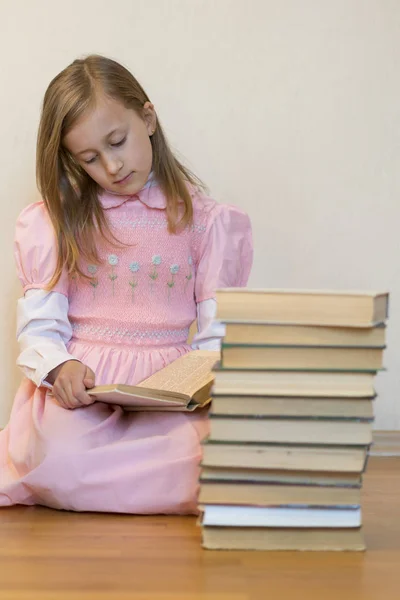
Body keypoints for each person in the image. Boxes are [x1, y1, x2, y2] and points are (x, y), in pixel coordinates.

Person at [0, 55, 253, 514]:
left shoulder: (207, 222)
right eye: (90, 158)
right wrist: (60, 368)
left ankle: (122, 483)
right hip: (87, 391)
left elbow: (219, 337)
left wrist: (200, 382)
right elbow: (40, 329)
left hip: (170, 393)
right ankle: (125, 485)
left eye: (118, 142)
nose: (112, 166)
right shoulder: (59, 222)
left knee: (212, 459)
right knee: (57, 458)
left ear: (149, 119)